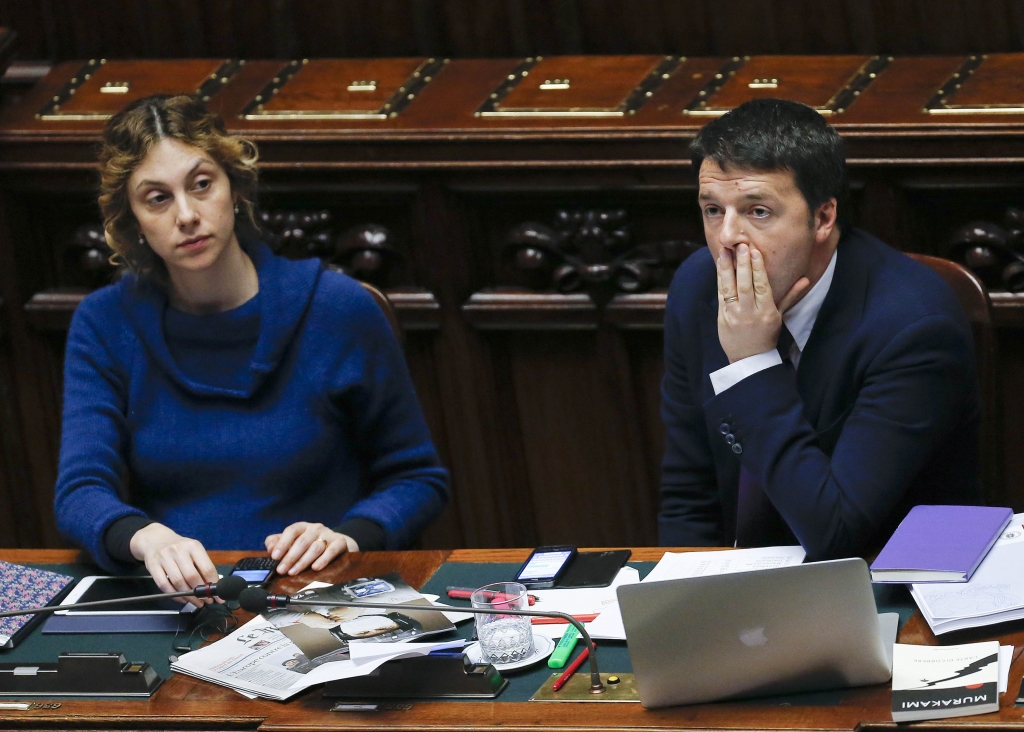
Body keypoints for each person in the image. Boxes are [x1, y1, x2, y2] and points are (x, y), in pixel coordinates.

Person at [54, 94, 450, 599]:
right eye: (157, 198)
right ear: (131, 220)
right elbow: (80, 491)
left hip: (320, 593)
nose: (187, 215)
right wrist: (145, 538)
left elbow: (416, 477)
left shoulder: (337, 308)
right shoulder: (105, 322)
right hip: (181, 598)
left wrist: (349, 537)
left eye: (201, 185)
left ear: (234, 188)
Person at [659, 98, 982, 560]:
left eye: (758, 211)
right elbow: (688, 492)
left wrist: (752, 364)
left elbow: (836, 531)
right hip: (744, 587)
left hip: (889, 585)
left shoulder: (913, 327)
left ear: (823, 217)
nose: (727, 237)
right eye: (713, 210)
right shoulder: (699, 287)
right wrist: (685, 602)